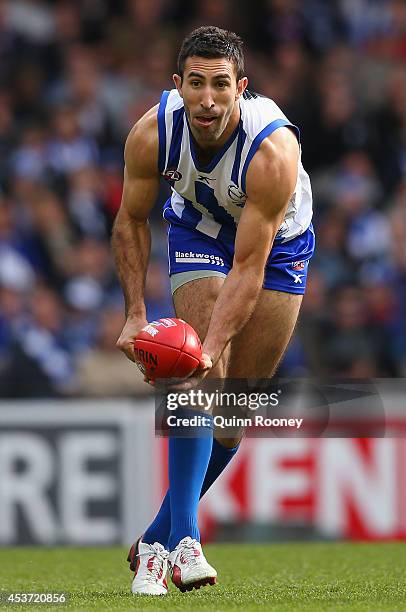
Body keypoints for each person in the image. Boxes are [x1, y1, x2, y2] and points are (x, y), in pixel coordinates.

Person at [112, 25, 314, 595]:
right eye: (195, 84)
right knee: (193, 376)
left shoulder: (272, 149)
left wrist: (215, 347)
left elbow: (250, 265)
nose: (207, 99)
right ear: (177, 85)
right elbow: (130, 220)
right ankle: (187, 543)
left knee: (233, 410)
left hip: (277, 246)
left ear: (240, 87)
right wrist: (134, 312)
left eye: (220, 85)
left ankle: (155, 539)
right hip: (199, 228)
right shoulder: (152, 133)